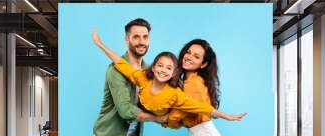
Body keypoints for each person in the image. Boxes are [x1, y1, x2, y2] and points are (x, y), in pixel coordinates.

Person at [92, 28, 246, 130]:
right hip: (150, 117)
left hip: (181, 125)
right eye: (159, 65)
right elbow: (121, 64)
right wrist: (100, 44)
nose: (163, 70)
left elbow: (202, 107)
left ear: (173, 73)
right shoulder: (142, 78)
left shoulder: (176, 94)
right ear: (152, 67)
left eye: (168, 68)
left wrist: (227, 116)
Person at [93, 18, 166, 136]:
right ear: (127, 40)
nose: (141, 42)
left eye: (145, 37)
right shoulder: (115, 70)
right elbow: (125, 111)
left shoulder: (150, 71)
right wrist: (158, 119)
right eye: (136, 37)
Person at [166, 39, 247, 136]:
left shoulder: (192, 84)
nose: (189, 57)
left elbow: (179, 114)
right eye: (189, 52)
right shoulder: (195, 81)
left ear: (203, 64)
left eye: (196, 56)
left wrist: (165, 120)